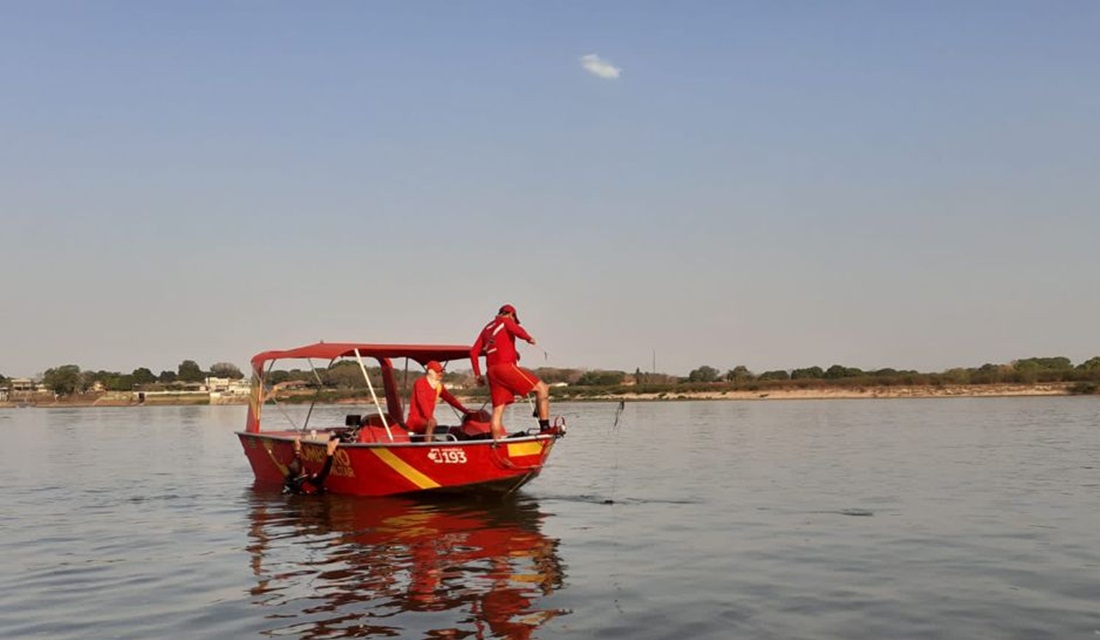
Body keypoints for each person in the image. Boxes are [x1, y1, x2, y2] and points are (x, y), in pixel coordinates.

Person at [470, 304, 551, 440]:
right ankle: (545, 428)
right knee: (542, 389)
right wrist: (528, 338)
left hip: (491, 371)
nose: (514, 321)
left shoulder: (487, 328)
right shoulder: (506, 321)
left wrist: (478, 375)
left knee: (498, 410)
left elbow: (473, 352)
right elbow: (517, 330)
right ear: (510, 314)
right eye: (514, 318)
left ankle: (497, 444)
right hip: (505, 367)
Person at [406, 360, 471, 441]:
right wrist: (430, 417)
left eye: (441, 372)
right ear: (430, 372)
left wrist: (465, 410)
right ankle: (428, 448)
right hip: (415, 420)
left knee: (433, 424)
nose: (440, 374)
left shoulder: (438, 386)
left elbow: (451, 399)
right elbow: (422, 401)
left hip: (428, 421)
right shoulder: (420, 383)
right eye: (438, 372)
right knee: (432, 422)